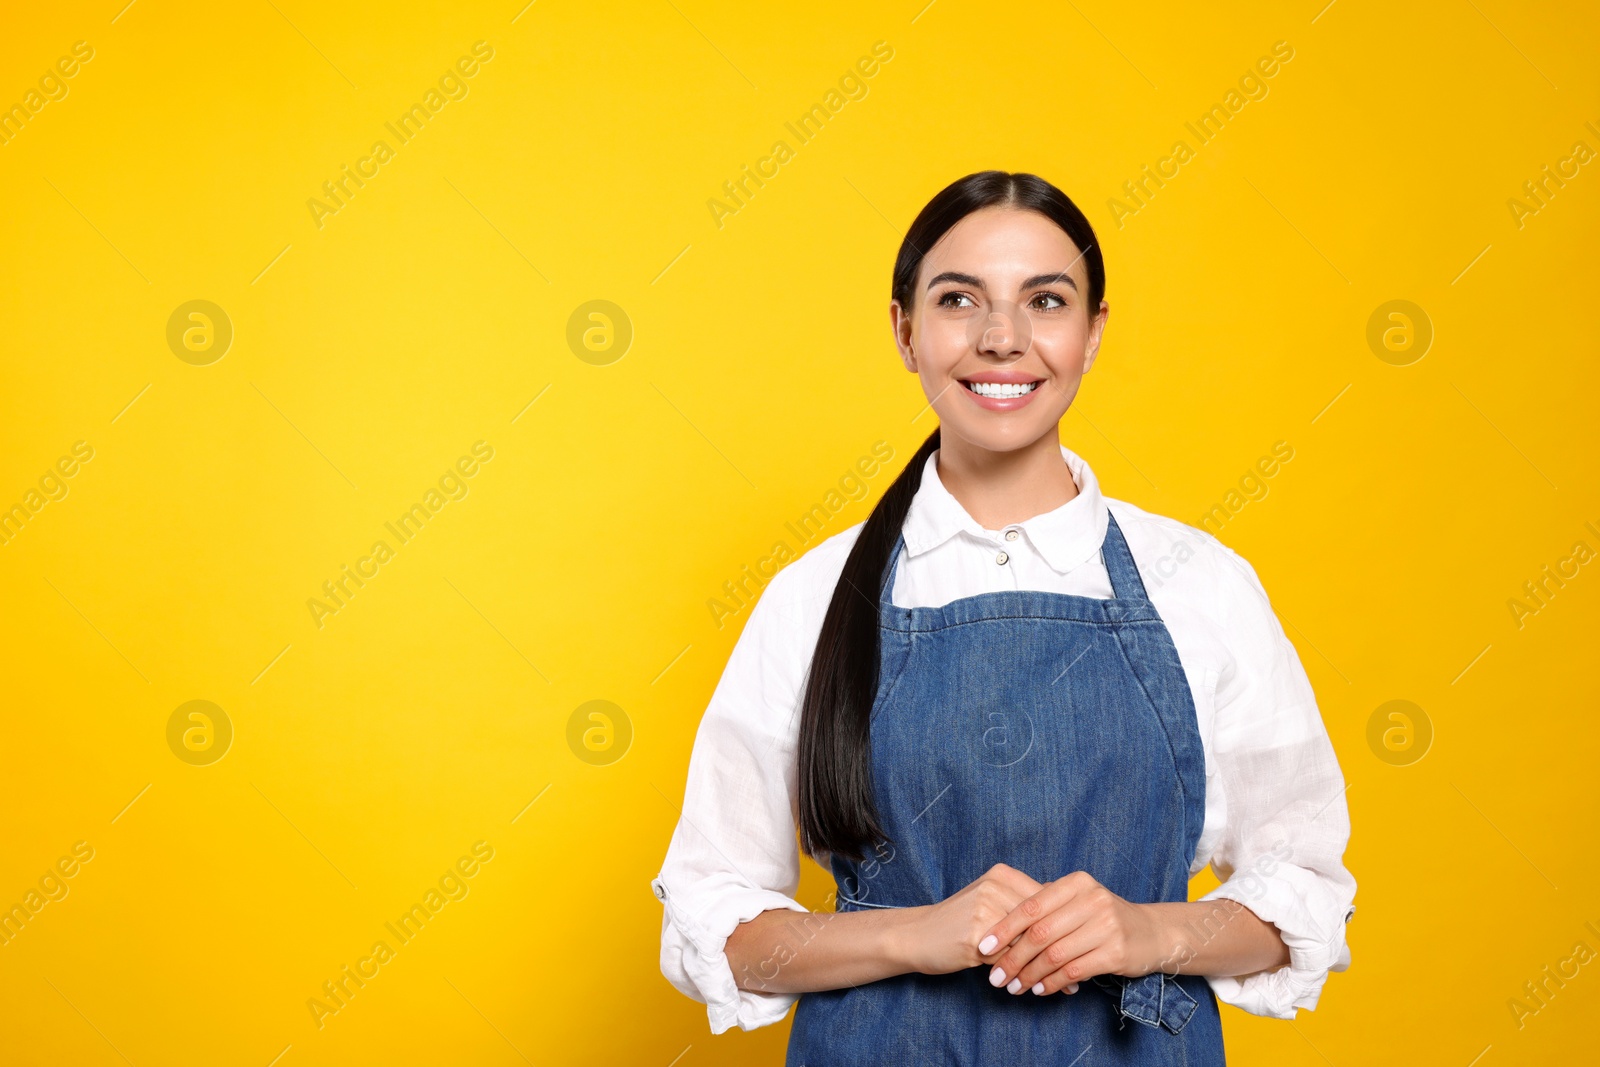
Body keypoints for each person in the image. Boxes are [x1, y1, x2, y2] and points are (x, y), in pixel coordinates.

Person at [651, 170, 1356, 1065]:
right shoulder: (816, 594)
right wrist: (913, 935)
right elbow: (717, 914)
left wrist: (1145, 931)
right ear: (906, 331)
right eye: (959, 300)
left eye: (1046, 300)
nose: (1002, 338)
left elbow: (1301, 893)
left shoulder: (1203, 585)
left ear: (1093, 332)